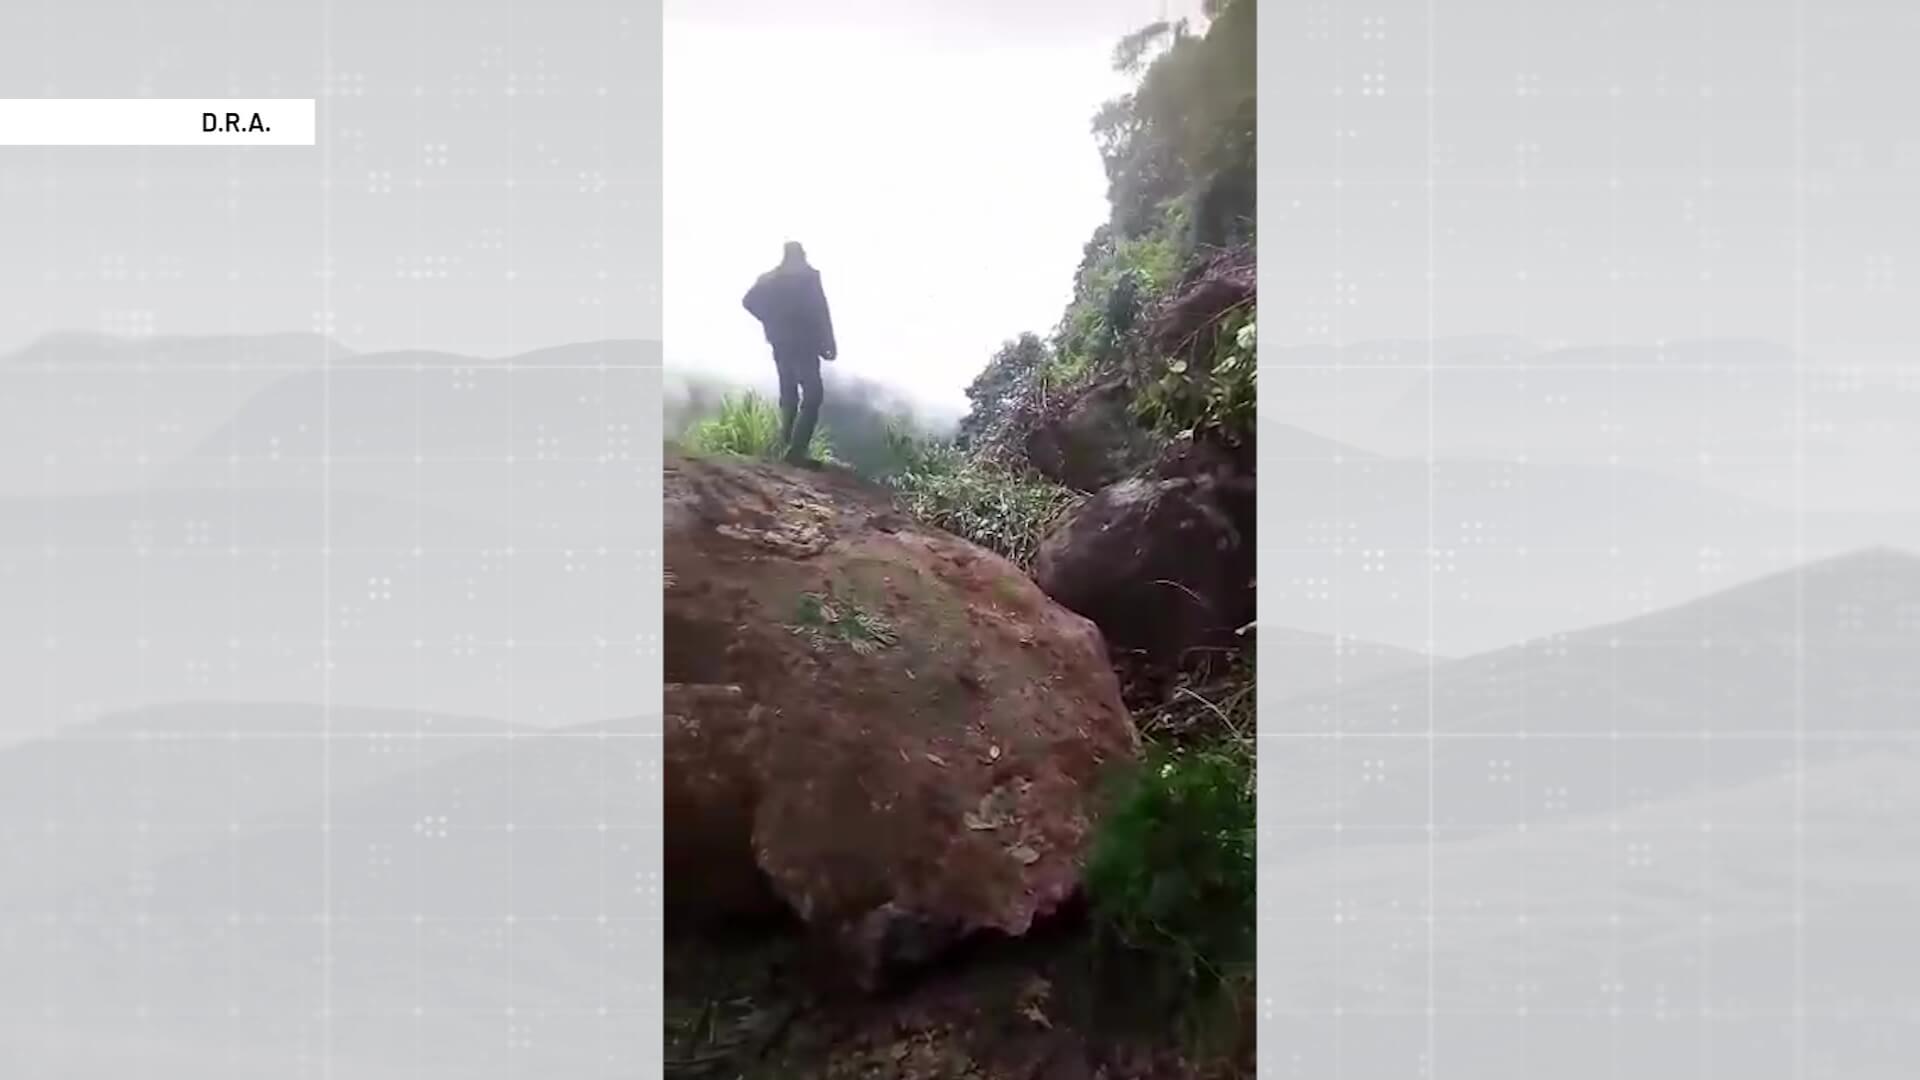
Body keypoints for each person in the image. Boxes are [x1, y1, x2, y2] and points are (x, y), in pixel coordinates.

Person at [742, 241, 837, 466]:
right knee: (812, 394)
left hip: (781, 342)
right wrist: (829, 343)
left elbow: (749, 302)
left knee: (790, 393)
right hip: (804, 343)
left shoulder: (769, 280)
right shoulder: (808, 279)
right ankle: (795, 452)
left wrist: (771, 320)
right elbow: (821, 310)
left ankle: (786, 448)